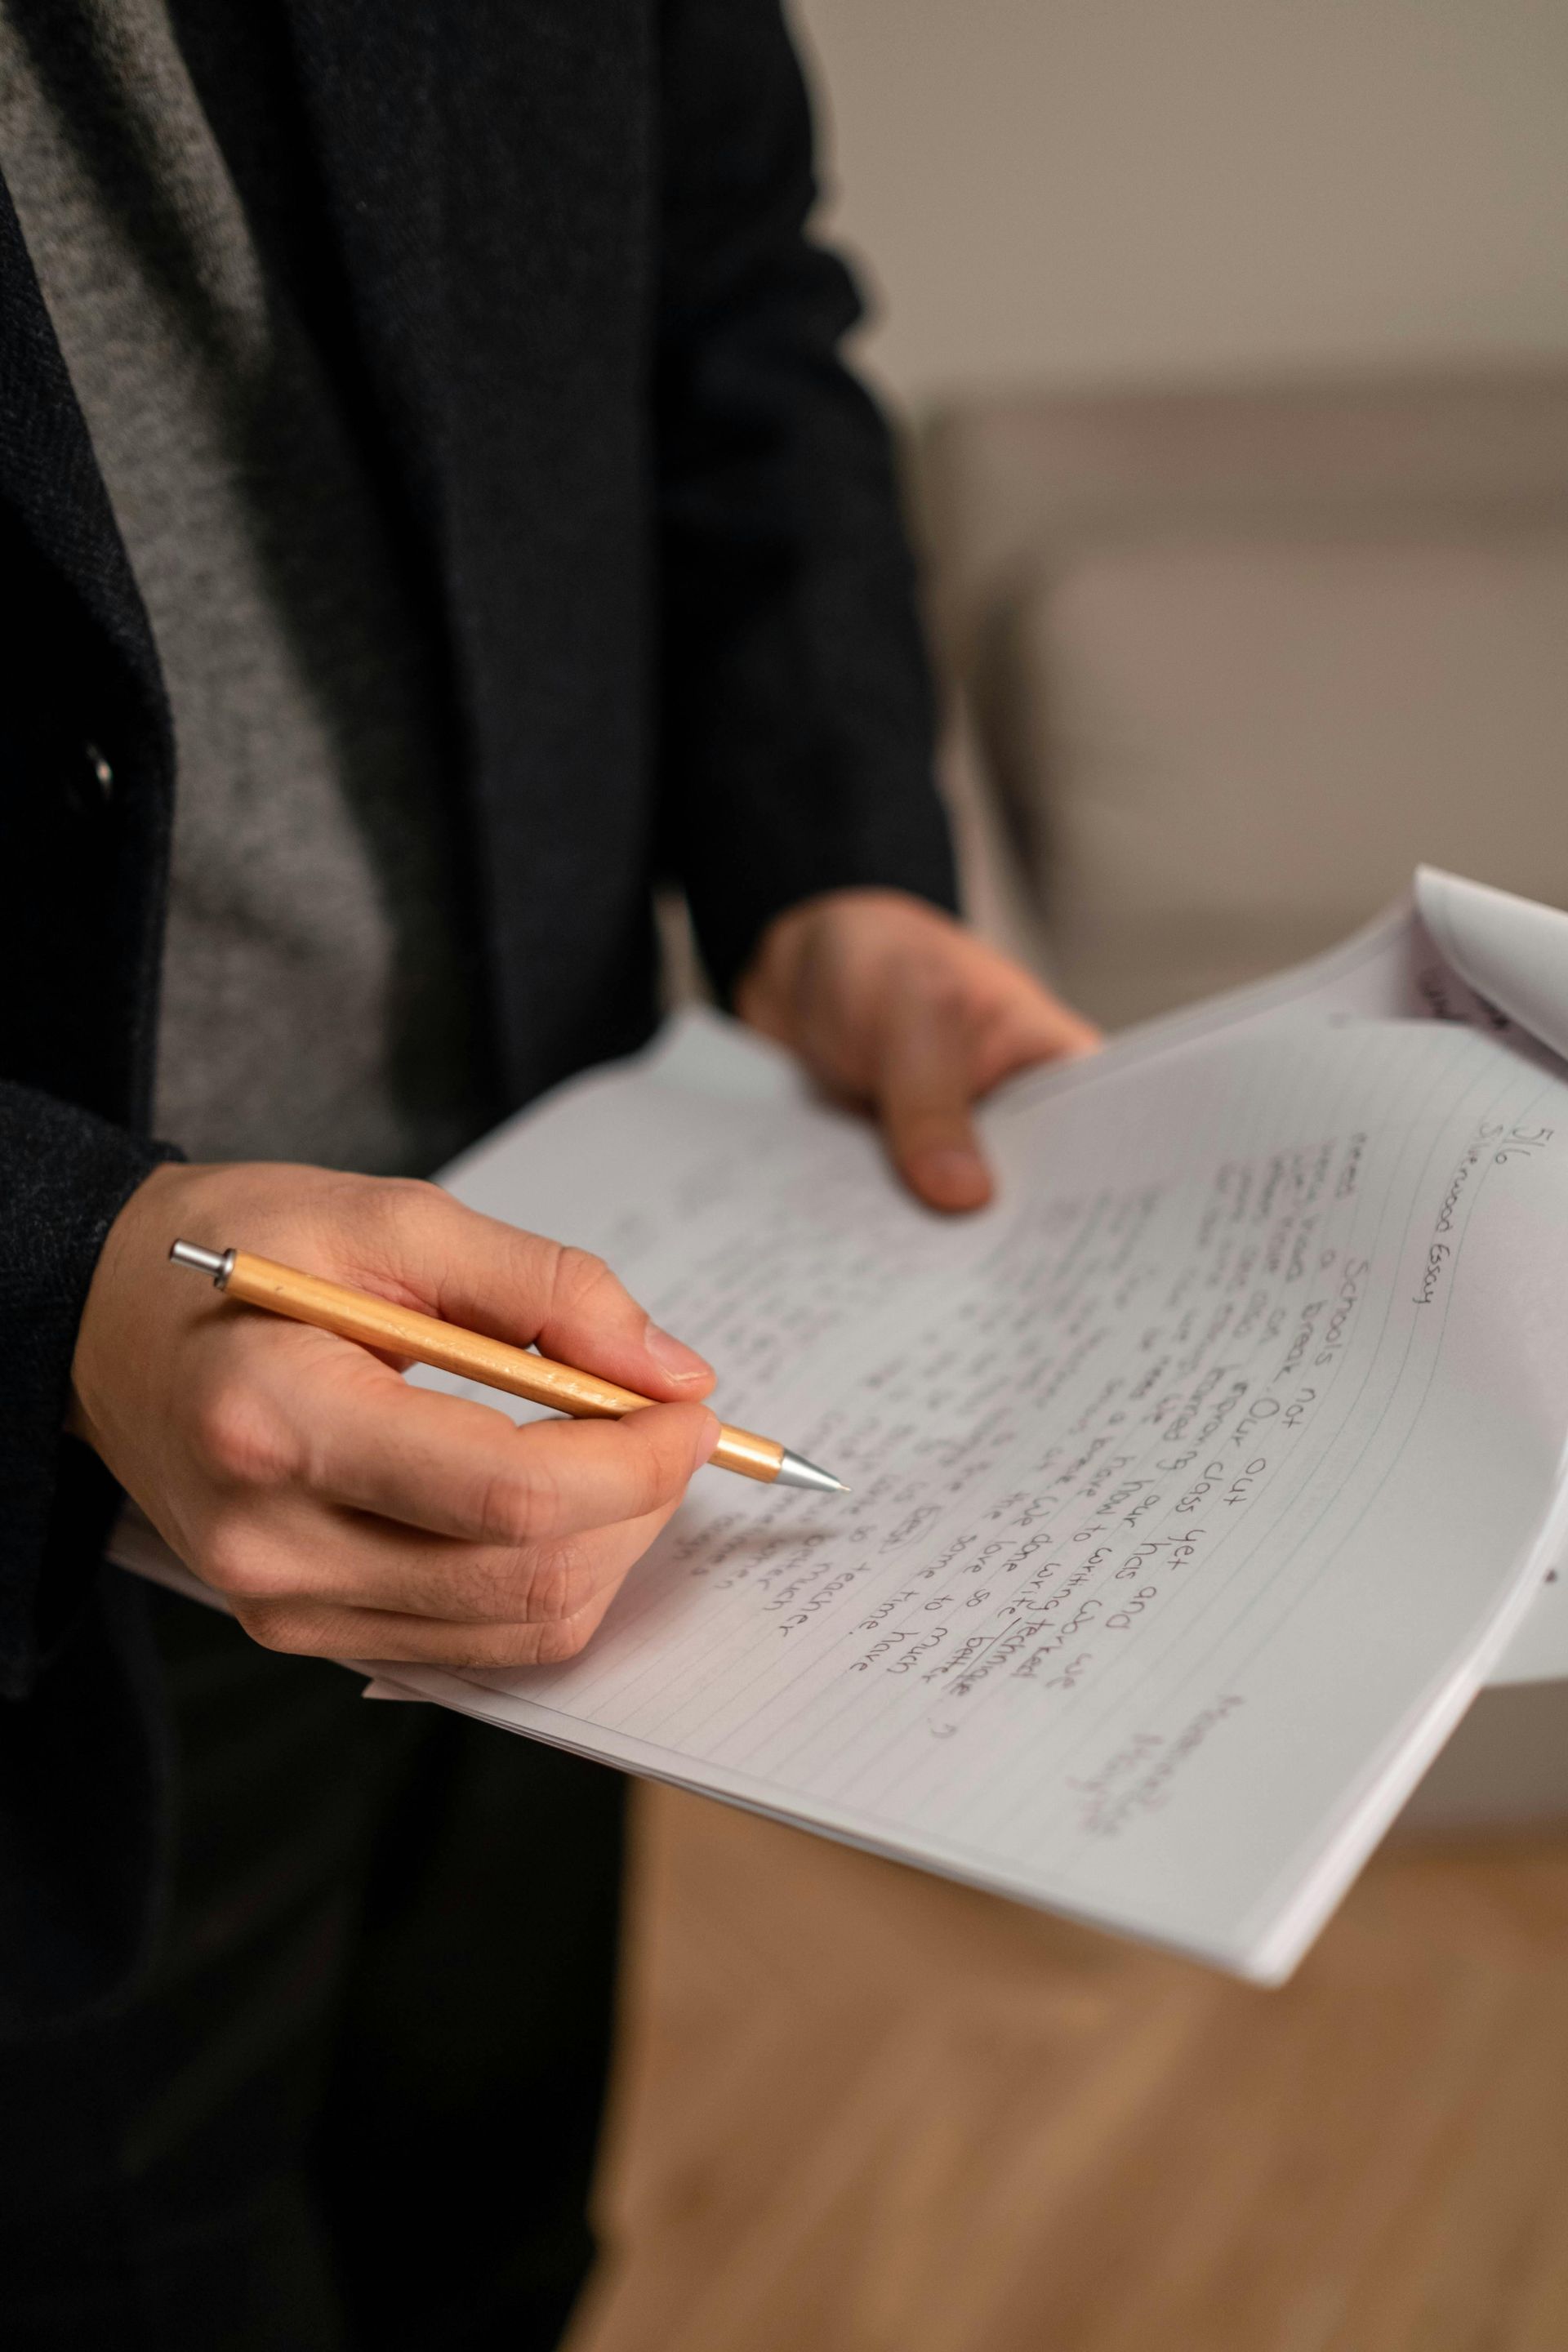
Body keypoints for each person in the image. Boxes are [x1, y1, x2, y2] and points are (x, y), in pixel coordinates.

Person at [0, 2, 1094, 2345]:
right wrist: (42, 1270)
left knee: (483, 2226)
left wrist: (830, 867)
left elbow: (725, 293)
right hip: (46, 1534)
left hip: (566, 1300)